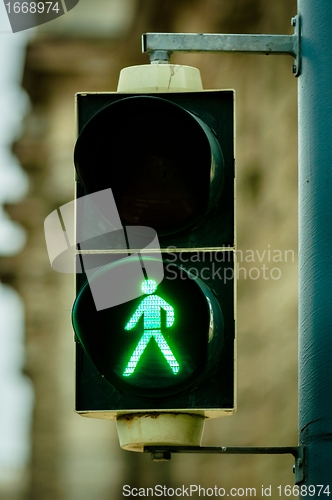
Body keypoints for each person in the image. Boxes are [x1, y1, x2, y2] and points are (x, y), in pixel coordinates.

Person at [123, 279, 179, 376]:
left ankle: (129, 370)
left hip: (151, 329)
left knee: (139, 350)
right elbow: (169, 309)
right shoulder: (155, 299)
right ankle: (175, 367)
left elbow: (137, 314)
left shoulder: (149, 300)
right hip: (152, 329)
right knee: (162, 348)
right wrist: (168, 323)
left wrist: (130, 325)